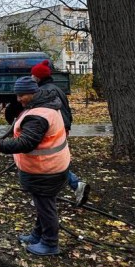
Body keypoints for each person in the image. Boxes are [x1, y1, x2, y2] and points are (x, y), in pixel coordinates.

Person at [0, 77, 70, 256]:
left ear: (33, 92)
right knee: (42, 205)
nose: (18, 99)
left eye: (22, 95)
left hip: (46, 170)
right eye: (17, 94)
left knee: (46, 206)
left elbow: (26, 142)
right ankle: (38, 235)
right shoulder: (44, 105)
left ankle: (50, 243)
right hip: (50, 167)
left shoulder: (39, 115)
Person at [29, 60, 90, 206]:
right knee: (53, 162)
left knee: (45, 163)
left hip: (53, 131)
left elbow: (44, 115)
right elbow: (66, 111)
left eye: (33, 74)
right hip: (61, 129)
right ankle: (72, 186)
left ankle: (47, 194)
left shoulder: (44, 91)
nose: (31, 77)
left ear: (38, 77)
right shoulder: (57, 89)